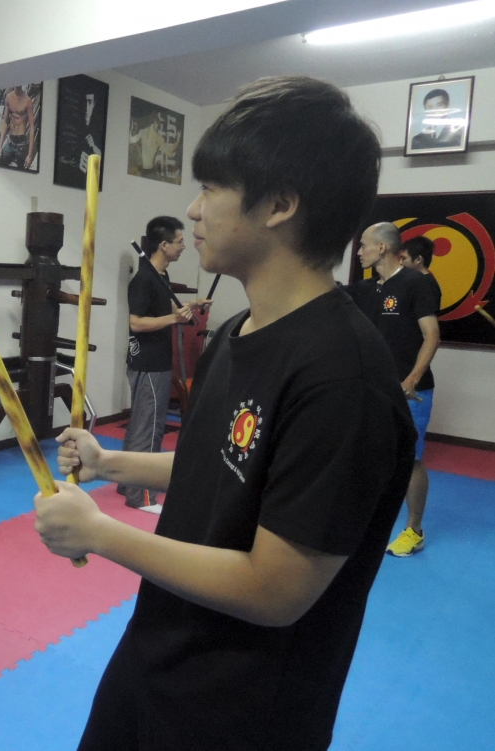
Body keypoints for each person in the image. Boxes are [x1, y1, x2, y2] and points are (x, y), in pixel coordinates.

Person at [40, 76, 417, 751]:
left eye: (211, 187)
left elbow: (275, 589)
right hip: (157, 652)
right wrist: (108, 462)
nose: (192, 210)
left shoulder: (343, 379)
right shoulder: (236, 332)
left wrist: (100, 534)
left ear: (280, 204)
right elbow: (219, 465)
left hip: (242, 708)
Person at [349, 223, 441, 557]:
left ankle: (414, 531)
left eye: (364, 245)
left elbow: (431, 335)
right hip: (372, 389)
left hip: (410, 391)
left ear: (382, 248)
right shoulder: (364, 290)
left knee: (410, 460)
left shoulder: (416, 283)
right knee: (367, 454)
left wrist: (411, 379)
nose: (359, 252)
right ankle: (365, 520)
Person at [121, 216, 196, 512]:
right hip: (149, 364)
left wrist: (191, 307)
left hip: (153, 361)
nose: (183, 246)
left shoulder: (160, 275)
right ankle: (141, 496)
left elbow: (163, 312)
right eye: (179, 241)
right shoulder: (144, 279)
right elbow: (136, 322)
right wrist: (174, 319)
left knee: (139, 426)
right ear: (164, 245)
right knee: (150, 428)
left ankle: (127, 482)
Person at [129, 112, 181, 177]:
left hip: (147, 171)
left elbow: (132, 140)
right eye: (158, 122)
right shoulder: (156, 137)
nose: (158, 125)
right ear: (155, 122)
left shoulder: (144, 132)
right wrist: (178, 140)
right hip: (146, 171)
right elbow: (170, 151)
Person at [0, 86, 37, 169]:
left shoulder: (27, 100)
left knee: (21, 169)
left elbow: (32, 127)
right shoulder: (8, 97)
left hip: (21, 143)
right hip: (11, 141)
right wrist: (0, 146)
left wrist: (30, 155)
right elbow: (5, 122)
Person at [400, 234, 444, 306]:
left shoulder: (426, 286)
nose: (401, 263)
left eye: (404, 258)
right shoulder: (418, 282)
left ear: (418, 259)